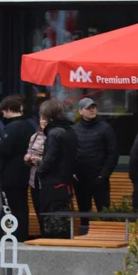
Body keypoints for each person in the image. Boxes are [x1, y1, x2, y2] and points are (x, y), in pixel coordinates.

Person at [0, 95, 36, 239]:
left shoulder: (12, 127)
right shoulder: (29, 126)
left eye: (4, 112)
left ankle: (13, 236)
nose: (3, 115)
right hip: (24, 173)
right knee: (22, 207)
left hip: (10, 175)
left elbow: (4, 149)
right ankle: (21, 234)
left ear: (9, 110)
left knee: (11, 208)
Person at [72, 97, 118, 234]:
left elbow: (113, 153)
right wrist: (73, 172)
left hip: (99, 178)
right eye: (88, 108)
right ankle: (84, 236)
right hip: (80, 178)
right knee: (83, 212)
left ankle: (107, 236)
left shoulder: (105, 128)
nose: (92, 110)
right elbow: (70, 151)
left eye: (93, 107)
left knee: (104, 211)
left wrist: (103, 174)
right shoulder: (75, 129)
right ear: (81, 111)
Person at [36, 100, 77, 238]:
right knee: (63, 219)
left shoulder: (54, 133)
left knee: (52, 222)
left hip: (53, 183)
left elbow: (50, 157)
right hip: (65, 182)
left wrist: (40, 170)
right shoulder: (69, 130)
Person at [24, 114, 48, 236]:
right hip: (34, 179)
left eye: (46, 119)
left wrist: (38, 160)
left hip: (47, 180)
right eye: (42, 119)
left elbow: (53, 158)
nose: (44, 121)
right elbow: (29, 151)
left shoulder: (52, 136)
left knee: (46, 209)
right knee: (37, 207)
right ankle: (42, 233)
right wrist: (27, 158)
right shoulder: (34, 136)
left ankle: (47, 235)